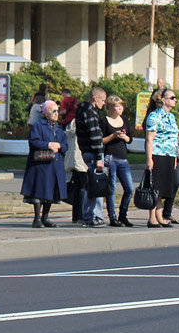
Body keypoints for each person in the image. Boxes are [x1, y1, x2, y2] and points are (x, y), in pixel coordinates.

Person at [21, 100, 68, 228]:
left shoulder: (58, 128)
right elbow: (33, 142)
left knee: (51, 191)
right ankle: (37, 219)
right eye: (53, 111)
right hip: (41, 164)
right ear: (46, 112)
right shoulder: (38, 126)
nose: (56, 113)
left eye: (57, 111)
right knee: (39, 191)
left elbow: (65, 145)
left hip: (55, 164)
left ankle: (45, 217)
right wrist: (48, 145)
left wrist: (59, 146)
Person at [143, 88, 179, 228]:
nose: (175, 100)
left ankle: (160, 215)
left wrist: (175, 157)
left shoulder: (171, 117)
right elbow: (149, 139)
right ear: (163, 99)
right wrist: (149, 158)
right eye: (172, 97)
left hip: (169, 155)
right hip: (157, 154)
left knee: (167, 186)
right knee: (155, 186)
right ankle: (152, 217)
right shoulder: (154, 116)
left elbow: (173, 139)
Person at [73, 86, 107, 227]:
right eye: (103, 100)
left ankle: (89, 215)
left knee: (91, 184)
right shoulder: (90, 112)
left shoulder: (81, 110)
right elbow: (95, 136)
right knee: (97, 185)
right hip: (93, 152)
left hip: (86, 151)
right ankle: (95, 216)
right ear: (95, 98)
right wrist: (99, 156)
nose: (104, 103)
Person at [101, 94, 134, 227]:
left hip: (123, 157)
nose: (119, 109)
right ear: (110, 108)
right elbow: (101, 140)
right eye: (116, 106)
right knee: (112, 188)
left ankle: (123, 215)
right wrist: (113, 135)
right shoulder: (104, 120)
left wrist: (123, 136)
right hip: (110, 157)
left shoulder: (124, 120)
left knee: (129, 188)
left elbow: (129, 139)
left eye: (121, 106)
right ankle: (112, 217)